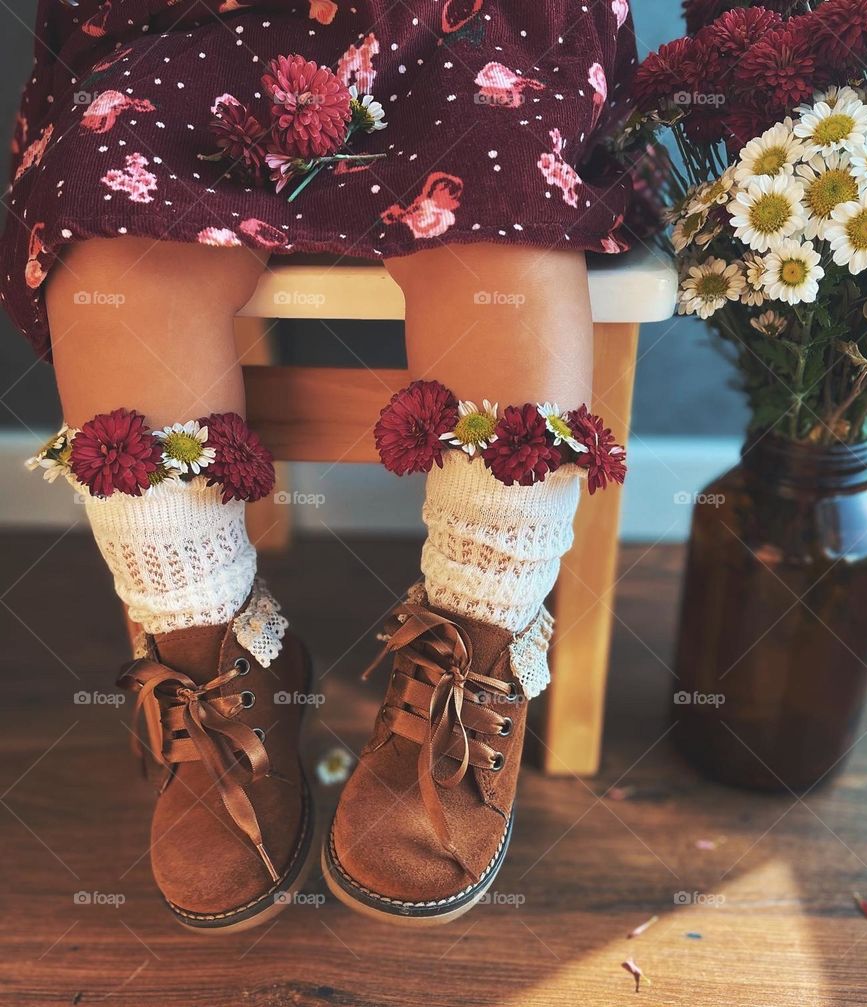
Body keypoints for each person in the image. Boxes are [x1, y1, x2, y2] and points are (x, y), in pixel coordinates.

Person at [5, 0, 644, 930]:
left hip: (469, 23)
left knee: (499, 213)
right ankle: (215, 656)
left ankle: (478, 644)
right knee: (117, 241)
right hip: (192, 25)